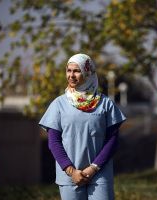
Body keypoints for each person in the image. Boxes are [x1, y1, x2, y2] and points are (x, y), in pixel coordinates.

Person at [39, 53, 126, 200]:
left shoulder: (105, 103)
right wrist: (72, 171)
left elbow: (112, 140)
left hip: (100, 174)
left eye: (77, 71)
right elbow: (53, 142)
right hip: (69, 177)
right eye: (69, 70)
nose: (71, 75)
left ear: (88, 72)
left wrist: (93, 168)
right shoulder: (58, 104)